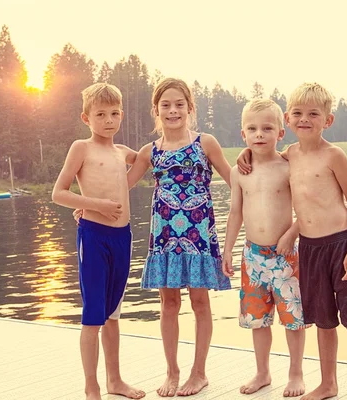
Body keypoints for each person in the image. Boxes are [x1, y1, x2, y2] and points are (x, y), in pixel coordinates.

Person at [237, 83, 347, 400]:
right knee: (324, 322)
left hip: (340, 246)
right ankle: (328, 384)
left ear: (328, 120)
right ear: (287, 119)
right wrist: (246, 152)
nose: (305, 119)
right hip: (310, 251)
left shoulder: (333, 156)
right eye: (297, 113)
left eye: (314, 113)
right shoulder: (289, 156)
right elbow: (263, 153)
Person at [126, 77, 232, 397]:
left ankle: (199, 373)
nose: (173, 111)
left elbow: (236, 182)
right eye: (166, 105)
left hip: (198, 235)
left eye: (179, 104)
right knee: (168, 302)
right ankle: (172, 371)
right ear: (156, 110)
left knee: (200, 301)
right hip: (165, 237)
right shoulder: (150, 151)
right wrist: (89, 207)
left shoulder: (205, 143)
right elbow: (121, 188)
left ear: (190, 108)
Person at [51, 82, 145, 400]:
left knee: (113, 315)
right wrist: (94, 205)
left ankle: (115, 381)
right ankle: (92, 388)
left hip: (122, 237)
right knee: (94, 314)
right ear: (86, 118)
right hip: (93, 237)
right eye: (101, 114)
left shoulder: (123, 153)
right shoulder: (82, 148)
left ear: (122, 115)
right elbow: (58, 193)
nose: (108, 120)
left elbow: (149, 159)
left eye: (114, 113)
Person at [222, 99, 309, 397]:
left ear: (281, 133)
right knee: (258, 320)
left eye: (267, 128)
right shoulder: (239, 171)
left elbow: (305, 208)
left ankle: (296, 373)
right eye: (252, 129)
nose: (259, 134)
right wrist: (228, 249)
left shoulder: (288, 167)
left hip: (285, 256)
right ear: (243, 134)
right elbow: (235, 213)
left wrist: (291, 235)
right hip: (252, 256)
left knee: (293, 318)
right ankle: (262, 372)